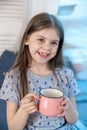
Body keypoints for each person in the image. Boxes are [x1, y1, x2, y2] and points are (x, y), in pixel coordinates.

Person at [0, 12, 80, 130]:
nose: (47, 47)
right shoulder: (14, 77)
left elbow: (73, 120)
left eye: (54, 43)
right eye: (41, 40)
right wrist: (24, 110)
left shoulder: (66, 75)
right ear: (26, 39)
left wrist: (68, 109)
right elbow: (13, 128)